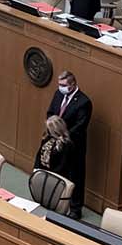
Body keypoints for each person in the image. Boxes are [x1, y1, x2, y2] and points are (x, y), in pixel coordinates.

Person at [47, 70, 93, 218]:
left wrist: (63, 135)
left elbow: (80, 125)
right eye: (59, 84)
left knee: (75, 175)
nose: (60, 87)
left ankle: (75, 208)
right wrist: (53, 131)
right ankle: (55, 201)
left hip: (74, 145)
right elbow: (51, 113)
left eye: (63, 85)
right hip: (56, 141)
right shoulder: (58, 94)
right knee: (58, 171)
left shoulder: (84, 102)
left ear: (72, 84)